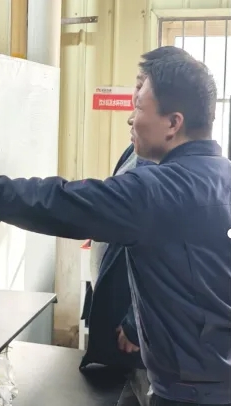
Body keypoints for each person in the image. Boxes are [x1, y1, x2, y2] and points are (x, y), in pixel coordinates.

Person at [0, 50, 231, 405]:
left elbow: (60, 202)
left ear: (173, 123)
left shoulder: (160, 191)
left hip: (192, 394)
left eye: (139, 107)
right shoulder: (221, 176)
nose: (131, 118)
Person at [80, 46, 193, 406]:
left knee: (144, 389)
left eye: (144, 89)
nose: (135, 102)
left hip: (140, 328)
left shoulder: (168, 171)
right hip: (113, 297)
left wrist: (133, 324)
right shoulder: (137, 150)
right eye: (137, 85)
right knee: (123, 391)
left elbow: (165, 258)